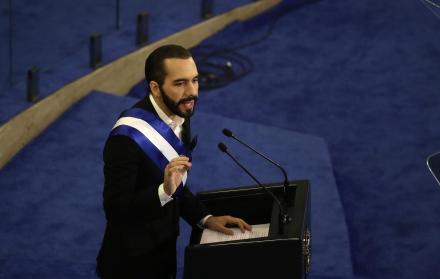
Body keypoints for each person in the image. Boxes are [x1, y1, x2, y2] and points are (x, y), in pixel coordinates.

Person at [96, 44, 251, 279]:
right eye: (180, 83)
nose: (192, 92)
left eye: (195, 80)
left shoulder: (180, 110)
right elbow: (116, 211)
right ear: (155, 88)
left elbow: (177, 185)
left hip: (166, 250)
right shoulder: (126, 139)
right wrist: (163, 191)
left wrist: (204, 218)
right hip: (131, 262)